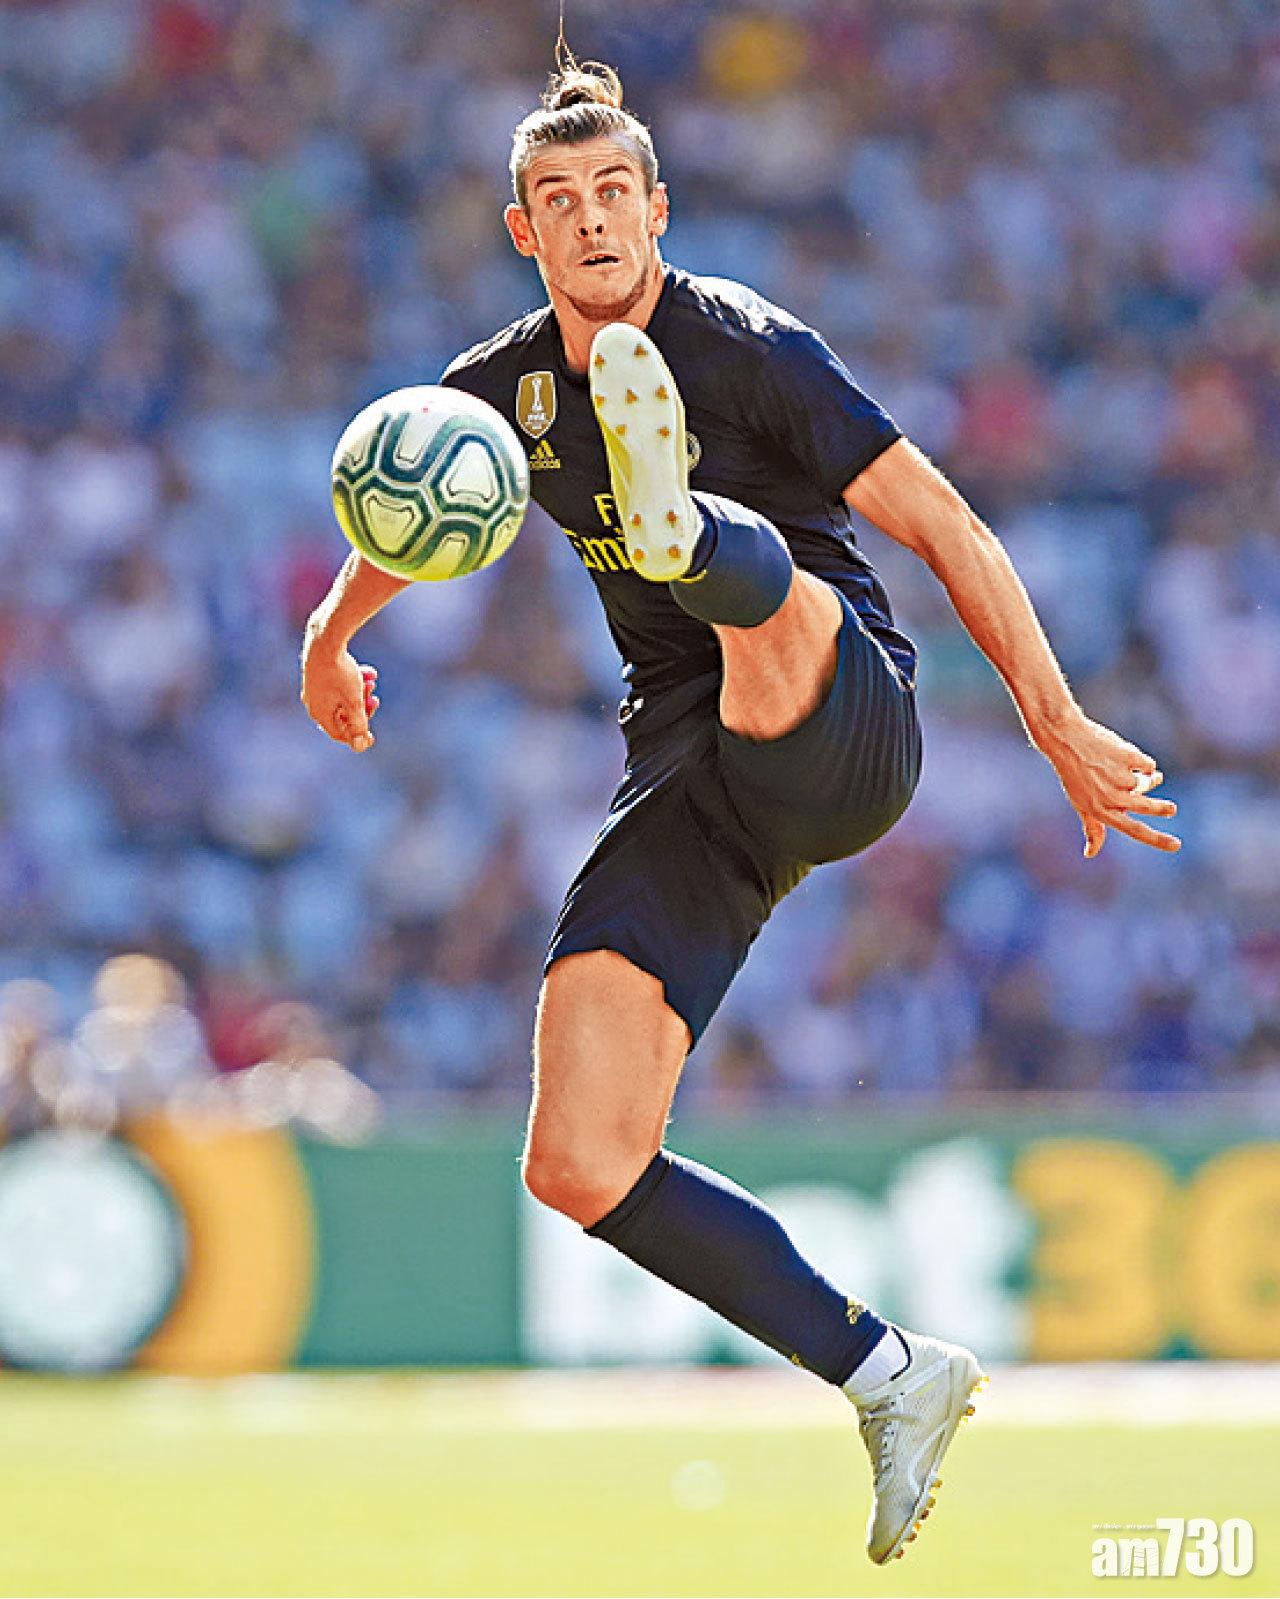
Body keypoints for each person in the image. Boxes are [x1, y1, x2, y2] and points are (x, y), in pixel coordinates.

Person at [300, 61, 1180, 1564]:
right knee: (579, 1159)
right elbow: (419, 498)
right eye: (559, 200)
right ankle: (889, 1374)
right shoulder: (496, 392)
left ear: (658, 208)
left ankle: (690, 529)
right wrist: (331, 633)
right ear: (523, 230)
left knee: (761, 592)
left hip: (844, 708)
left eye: (613, 193)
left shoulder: (753, 346)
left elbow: (948, 525)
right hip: (694, 773)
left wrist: (1055, 721)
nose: (590, 219)